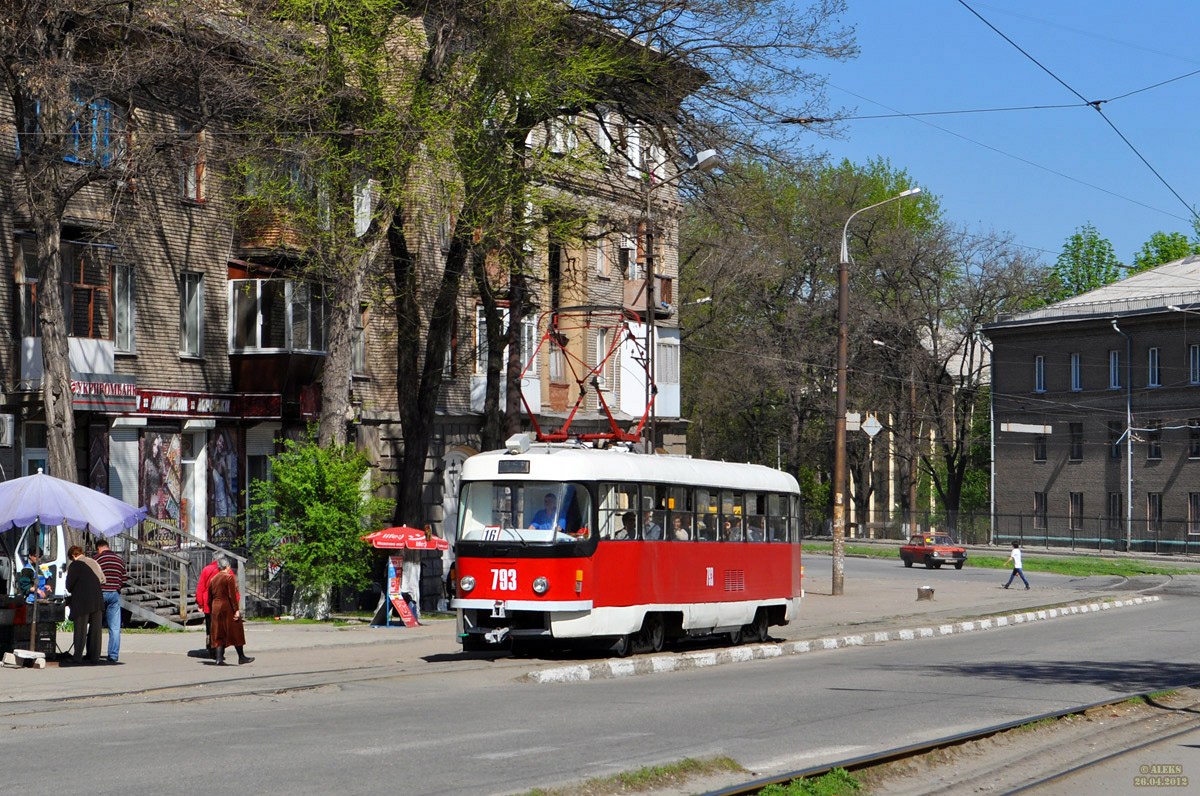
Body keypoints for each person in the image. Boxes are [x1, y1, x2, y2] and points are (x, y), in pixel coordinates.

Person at [208, 556, 253, 665]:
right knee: (236, 630)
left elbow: (209, 598)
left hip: (215, 607)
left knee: (218, 632)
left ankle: (219, 658)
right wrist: (236, 610)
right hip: (226, 606)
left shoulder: (213, 580)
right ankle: (241, 657)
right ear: (227, 566)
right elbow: (232, 596)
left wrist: (212, 609)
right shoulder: (228, 578)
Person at [65, 545, 104, 664]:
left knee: (81, 629)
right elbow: (102, 579)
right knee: (96, 630)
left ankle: (77, 656)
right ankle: (94, 657)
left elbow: (69, 585)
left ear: (72, 556)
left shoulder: (75, 565)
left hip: (82, 600)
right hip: (97, 598)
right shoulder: (93, 561)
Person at [94, 541, 127, 663]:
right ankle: (113, 655)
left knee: (95, 624)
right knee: (114, 627)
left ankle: (93, 652)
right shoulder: (119, 560)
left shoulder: (97, 559)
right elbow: (124, 579)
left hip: (100, 593)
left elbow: (93, 576)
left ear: (99, 548)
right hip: (114, 593)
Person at [196, 555, 220, 659]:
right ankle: (220, 651)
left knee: (210, 627)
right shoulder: (226, 570)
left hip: (208, 603)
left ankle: (211, 648)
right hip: (222, 603)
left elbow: (201, 587)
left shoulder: (206, 569)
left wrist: (200, 603)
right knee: (221, 627)